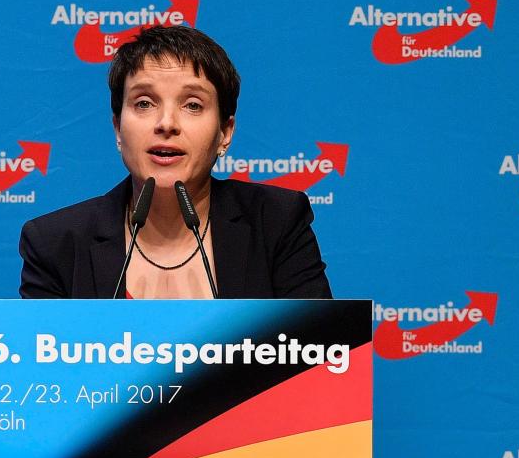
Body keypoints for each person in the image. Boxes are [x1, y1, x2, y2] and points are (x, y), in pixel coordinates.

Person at [19, 25, 331, 299]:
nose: (166, 123)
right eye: (144, 103)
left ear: (225, 132)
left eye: (193, 105)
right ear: (117, 128)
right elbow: (38, 364)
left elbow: (325, 358)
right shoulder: (55, 244)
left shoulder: (276, 224)